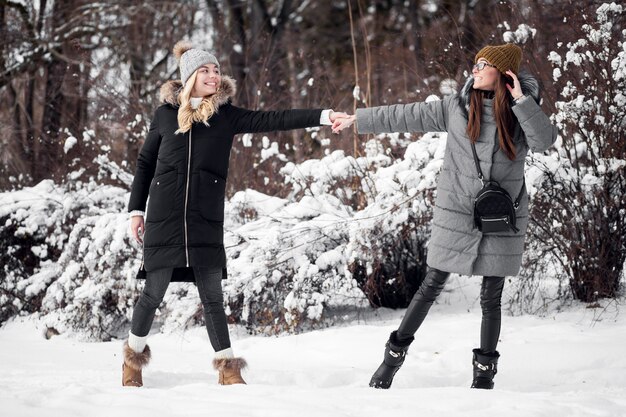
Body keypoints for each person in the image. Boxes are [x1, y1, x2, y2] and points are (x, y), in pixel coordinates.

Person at [122, 40, 348, 387]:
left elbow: (274, 118)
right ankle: (132, 362)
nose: (214, 75)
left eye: (216, 69)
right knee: (154, 291)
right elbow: (145, 162)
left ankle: (227, 369)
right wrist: (136, 210)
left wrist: (323, 116)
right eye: (206, 70)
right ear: (190, 76)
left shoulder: (225, 116)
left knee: (212, 295)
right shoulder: (165, 116)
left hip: (204, 217)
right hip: (163, 216)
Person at [332, 43, 557, 389]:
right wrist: (357, 118)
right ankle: (391, 360)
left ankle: (484, 375)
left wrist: (522, 100)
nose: (475, 69)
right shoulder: (456, 108)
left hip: (502, 217)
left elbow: (544, 141)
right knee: (431, 284)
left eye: (484, 65)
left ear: (503, 73)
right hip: (457, 212)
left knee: (491, 296)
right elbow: (404, 114)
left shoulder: (519, 113)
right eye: (476, 63)